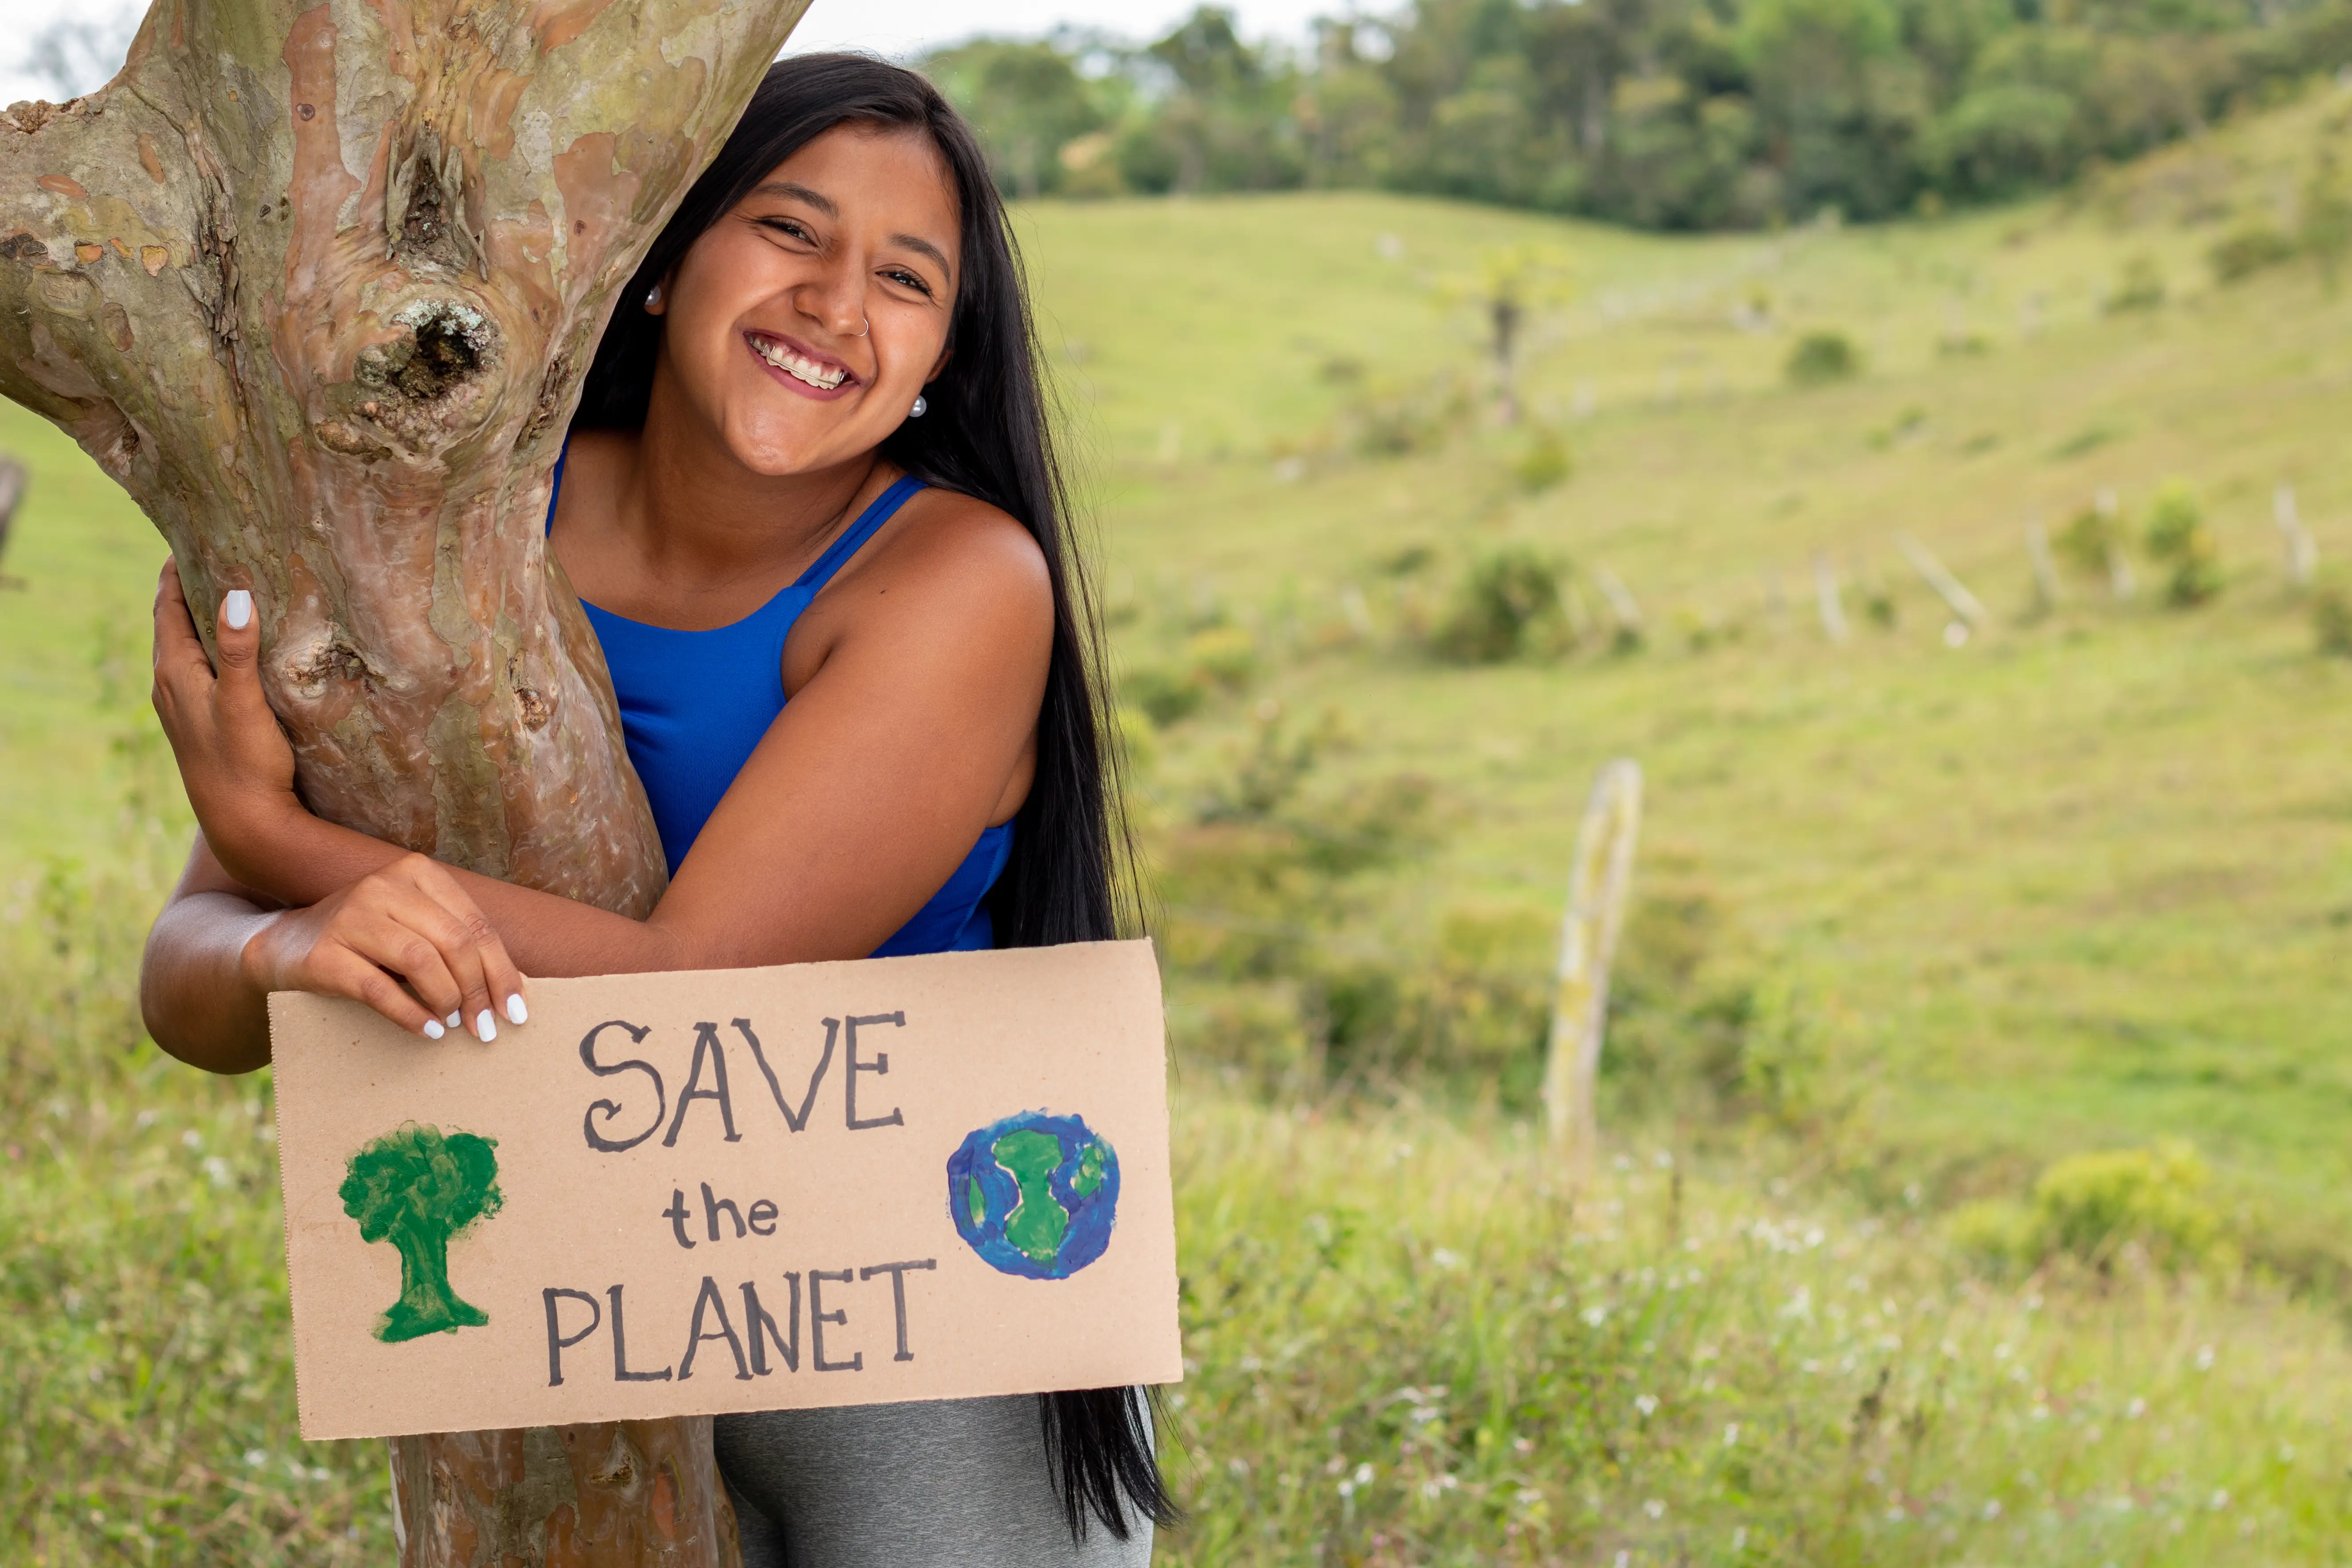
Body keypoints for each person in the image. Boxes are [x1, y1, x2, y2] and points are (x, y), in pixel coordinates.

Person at [139, 53, 1172, 1568]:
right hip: (563, 1307)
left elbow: (703, 992)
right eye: (790, 229)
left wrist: (283, 844)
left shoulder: (957, 581)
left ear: (943, 352)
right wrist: (287, 950)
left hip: (920, 1334)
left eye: (905, 276)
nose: (835, 301)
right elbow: (187, 980)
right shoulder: (480, 522)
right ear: (662, 260)